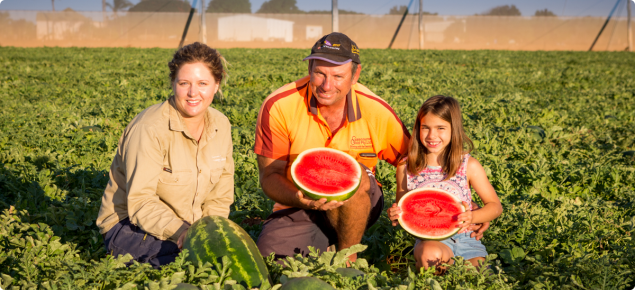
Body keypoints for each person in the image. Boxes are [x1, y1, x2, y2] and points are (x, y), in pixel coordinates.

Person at [254, 33, 488, 263]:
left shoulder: (376, 111)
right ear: (309, 70)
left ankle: (348, 258)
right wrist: (301, 199)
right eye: (319, 73)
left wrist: (459, 204)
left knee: (353, 178)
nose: (327, 85)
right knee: (273, 261)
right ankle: (326, 242)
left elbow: (417, 160)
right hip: (298, 200)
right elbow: (270, 176)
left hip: (360, 202)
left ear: (355, 74)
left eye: (338, 76)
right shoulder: (279, 106)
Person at [95, 42, 234, 269]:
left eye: (202, 83)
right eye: (184, 83)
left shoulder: (221, 125)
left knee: (225, 259)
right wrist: (183, 233)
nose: (192, 93)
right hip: (130, 224)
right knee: (188, 266)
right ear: (173, 84)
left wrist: (210, 231)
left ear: (216, 85)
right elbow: (140, 202)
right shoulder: (149, 128)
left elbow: (220, 196)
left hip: (190, 227)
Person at [387, 95, 503, 273]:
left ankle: (454, 270)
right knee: (429, 256)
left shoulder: (468, 165)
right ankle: (446, 271)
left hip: (467, 239)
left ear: (453, 129)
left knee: (481, 274)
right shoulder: (406, 167)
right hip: (430, 241)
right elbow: (404, 207)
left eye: (441, 128)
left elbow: (495, 206)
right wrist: (396, 214)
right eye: (425, 128)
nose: (432, 135)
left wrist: (474, 217)